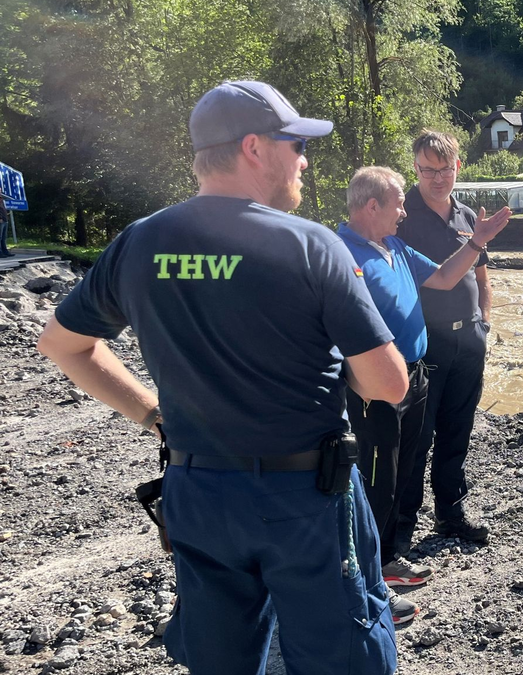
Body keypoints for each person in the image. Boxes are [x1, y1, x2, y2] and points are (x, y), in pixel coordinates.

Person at [37, 81, 409, 675]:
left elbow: (63, 345)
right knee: (344, 655)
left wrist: (150, 413)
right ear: (255, 148)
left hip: (198, 492)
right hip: (304, 497)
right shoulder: (312, 245)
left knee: (221, 661)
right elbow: (388, 385)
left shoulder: (141, 242)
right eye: (296, 146)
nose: (304, 161)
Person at [336, 166, 509, 610]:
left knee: (406, 465)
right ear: (372, 206)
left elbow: (447, 277)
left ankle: (388, 556)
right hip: (373, 386)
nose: (404, 210)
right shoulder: (340, 253)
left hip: (416, 374)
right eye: (398, 203)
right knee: (377, 478)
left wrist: (477, 243)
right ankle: (366, 579)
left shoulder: (394, 245)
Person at [395, 130, 495, 548]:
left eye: (445, 168)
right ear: (415, 169)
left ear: (458, 167)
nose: (437, 178)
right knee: (415, 439)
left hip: (468, 341)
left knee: (458, 432)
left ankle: (451, 515)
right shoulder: (401, 217)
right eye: (427, 169)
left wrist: (483, 324)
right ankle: (400, 529)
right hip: (425, 344)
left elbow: (482, 278)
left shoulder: (469, 216)